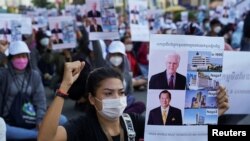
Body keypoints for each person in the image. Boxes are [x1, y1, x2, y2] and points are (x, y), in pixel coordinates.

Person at [38, 61, 229, 141]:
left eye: (120, 92)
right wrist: (64, 87)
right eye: (108, 93)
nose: (117, 98)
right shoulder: (82, 126)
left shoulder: (132, 120)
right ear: (92, 99)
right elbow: (45, 138)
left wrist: (211, 113)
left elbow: (175, 133)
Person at [0, 41, 67, 140]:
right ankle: (40, 136)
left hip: (31, 117)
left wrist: (40, 120)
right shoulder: (3, 75)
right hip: (10, 120)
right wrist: (2, 53)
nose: (21, 59)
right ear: (11, 58)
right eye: (18, 56)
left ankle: (33, 135)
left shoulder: (34, 75)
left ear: (28, 57)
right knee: (3, 129)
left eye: (24, 56)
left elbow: (40, 101)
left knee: (62, 120)